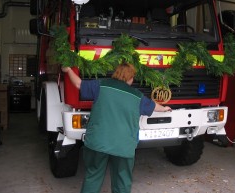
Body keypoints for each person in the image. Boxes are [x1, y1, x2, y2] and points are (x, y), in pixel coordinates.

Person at [62, 63, 171, 193]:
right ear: (130, 77)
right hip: (123, 146)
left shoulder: (101, 85)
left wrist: (68, 70)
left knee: (93, 176)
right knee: (122, 181)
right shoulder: (137, 95)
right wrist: (164, 108)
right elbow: (153, 106)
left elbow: (79, 84)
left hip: (97, 142)